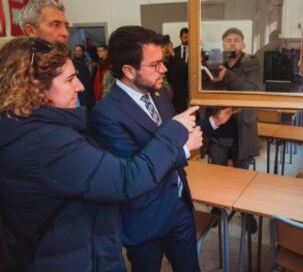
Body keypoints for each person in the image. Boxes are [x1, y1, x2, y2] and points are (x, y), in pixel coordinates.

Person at [0, 37, 202, 272]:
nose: (80, 86)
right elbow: (128, 177)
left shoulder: (25, 127)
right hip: (73, 257)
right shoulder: (48, 142)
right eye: (69, 79)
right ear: (34, 86)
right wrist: (175, 132)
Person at [91, 26, 233, 272]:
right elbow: (134, 171)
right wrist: (185, 152)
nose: (164, 69)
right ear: (128, 70)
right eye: (156, 64)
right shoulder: (106, 114)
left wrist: (214, 122)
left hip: (179, 206)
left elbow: (177, 133)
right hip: (146, 218)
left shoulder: (157, 94)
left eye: (163, 62)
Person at [207, 27, 261, 233]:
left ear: (243, 45)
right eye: (228, 40)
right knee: (218, 175)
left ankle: (246, 213)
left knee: (242, 176)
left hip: (242, 129)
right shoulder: (213, 60)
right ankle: (217, 208)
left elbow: (253, 91)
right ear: (222, 45)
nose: (232, 43)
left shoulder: (251, 62)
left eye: (236, 40)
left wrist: (228, 76)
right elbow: (205, 88)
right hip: (218, 128)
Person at [72, 44, 95, 110]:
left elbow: (90, 75)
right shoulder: (72, 63)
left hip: (88, 87)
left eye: (79, 51)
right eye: (76, 51)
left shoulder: (88, 62)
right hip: (79, 90)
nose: (77, 52)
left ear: (83, 52)